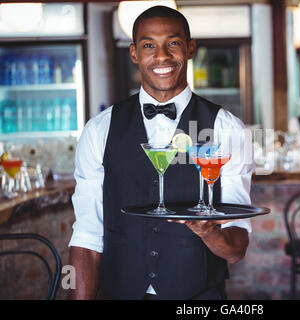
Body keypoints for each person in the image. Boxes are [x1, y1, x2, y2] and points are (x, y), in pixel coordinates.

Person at [68, 6, 253, 300]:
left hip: (198, 297)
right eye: (149, 45)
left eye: (174, 43)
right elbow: (88, 236)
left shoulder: (227, 130)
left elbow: (236, 249)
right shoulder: (99, 130)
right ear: (134, 53)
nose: (162, 55)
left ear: (190, 48)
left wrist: (209, 232)